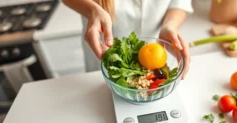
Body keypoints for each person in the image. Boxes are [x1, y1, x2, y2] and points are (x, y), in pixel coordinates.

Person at [62, 0, 193, 79]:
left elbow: (179, 2)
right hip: (104, 53)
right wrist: (92, 10)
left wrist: (170, 25)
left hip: (158, 52)